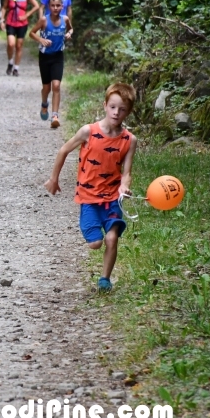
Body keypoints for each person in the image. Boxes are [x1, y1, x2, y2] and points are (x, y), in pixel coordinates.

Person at [44, 83, 138, 293]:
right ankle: (93, 233)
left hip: (113, 197)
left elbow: (127, 172)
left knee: (112, 238)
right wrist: (54, 179)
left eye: (122, 109)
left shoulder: (129, 140)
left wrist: (124, 186)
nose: (116, 112)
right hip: (89, 197)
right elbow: (63, 150)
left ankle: (105, 279)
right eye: (113, 107)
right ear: (105, 105)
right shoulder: (89, 131)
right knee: (95, 243)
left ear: (128, 111)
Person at [29, 0, 73, 129]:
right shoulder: (44, 20)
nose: (55, 8)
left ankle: (55, 116)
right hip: (45, 57)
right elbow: (31, 33)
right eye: (53, 5)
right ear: (49, 6)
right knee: (47, 88)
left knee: (56, 86)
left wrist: (69, 34)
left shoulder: (65, 19)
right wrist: (41, 40)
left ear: (62, 6)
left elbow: (71, 28)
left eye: (58, 5)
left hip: (58, 56)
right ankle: (44, 103)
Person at [0, 0, 40, 77]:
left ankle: (16, 68)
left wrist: (26, 15)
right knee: (11, 44)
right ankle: (10, 62)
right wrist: (2, 21)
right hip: (10, 22)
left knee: (19, 45)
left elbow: (36, 6)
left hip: (22, 24)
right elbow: (4, 8)